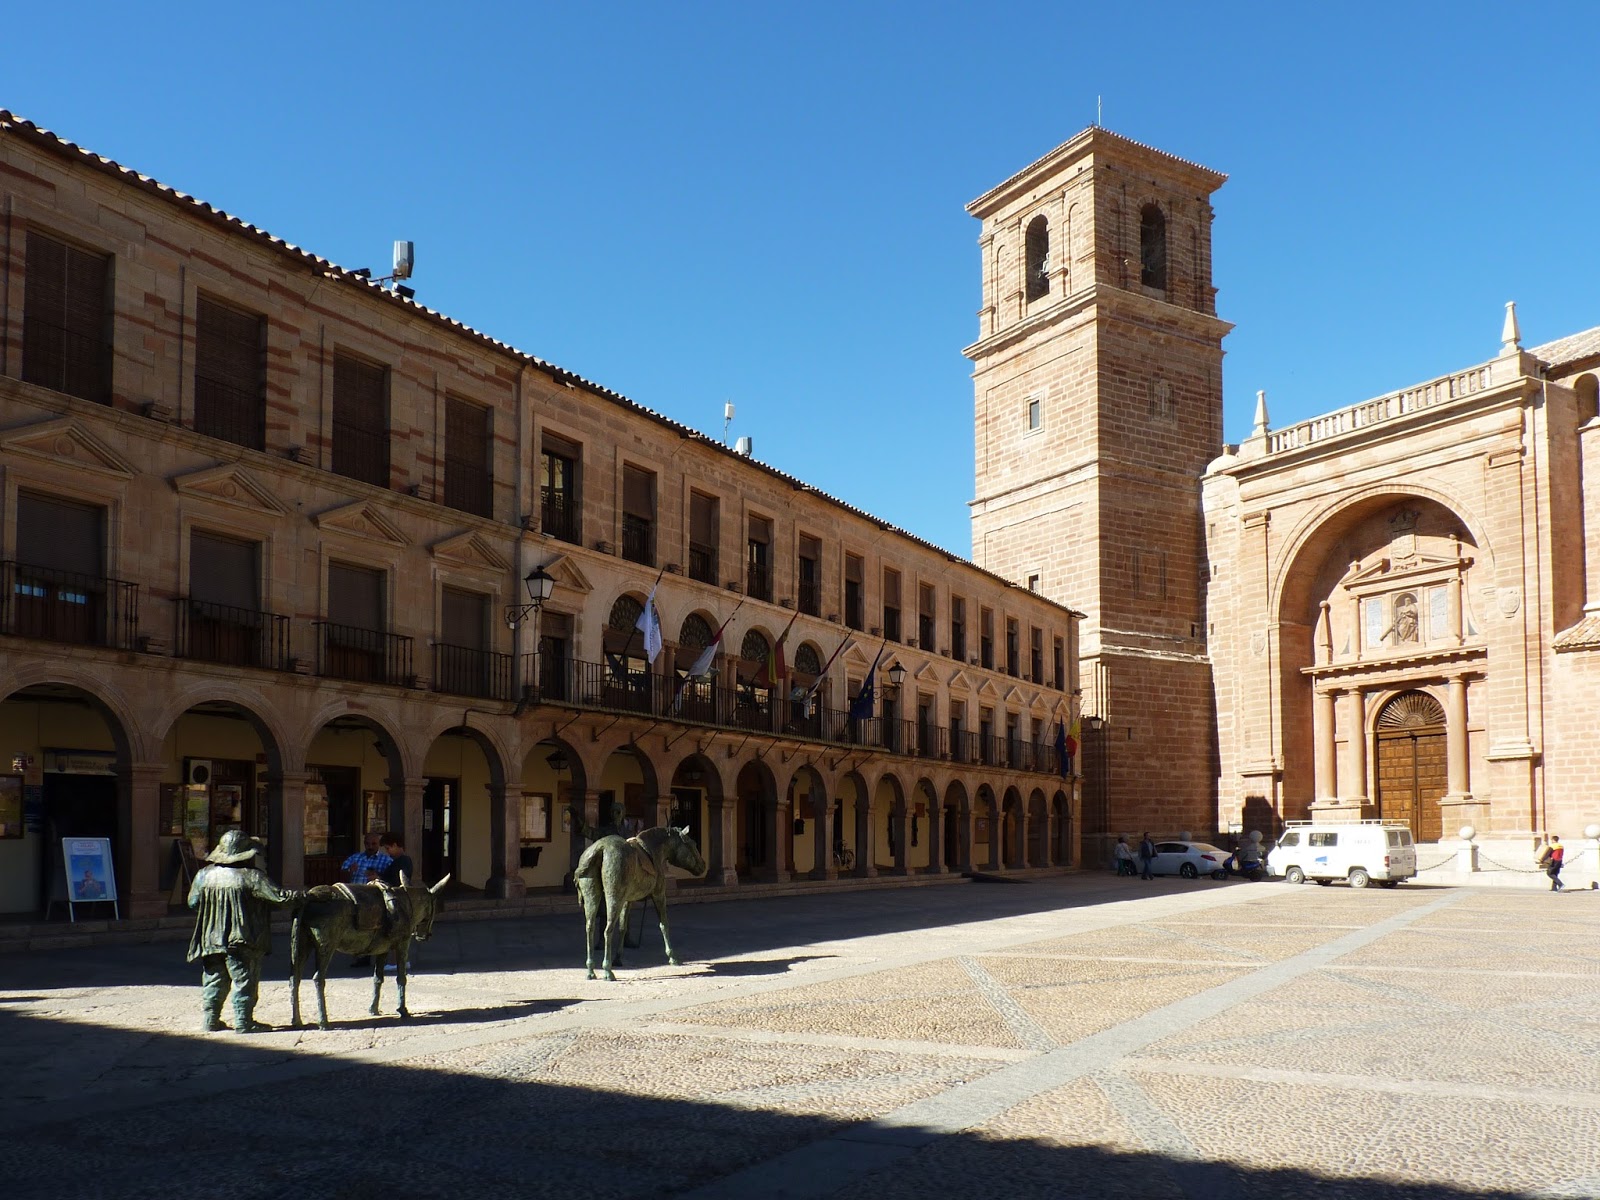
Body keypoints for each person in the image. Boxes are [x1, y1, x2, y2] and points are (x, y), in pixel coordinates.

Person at [187, 830, 301, 1033]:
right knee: (244, 979)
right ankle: (243, 1021)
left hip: (211, 938)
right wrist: (305, 897)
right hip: (242, 938)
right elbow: (282, 899)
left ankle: (211, 1020)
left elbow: (193, 902)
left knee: (214, 978)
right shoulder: (252, 877)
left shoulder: (204, 875)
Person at [342, 831, 392, 967]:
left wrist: (378, 876)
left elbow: (391, 877)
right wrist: (349, 870)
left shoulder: (386, 860)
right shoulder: (356, 858)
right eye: (368, 844)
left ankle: (377, 953)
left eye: (374, 844)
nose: (370, 846)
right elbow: (343, 868)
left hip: (373, 899)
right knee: (358, 927)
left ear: (378, 844)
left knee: (374, 928)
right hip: (356, 897)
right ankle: (361, 956)